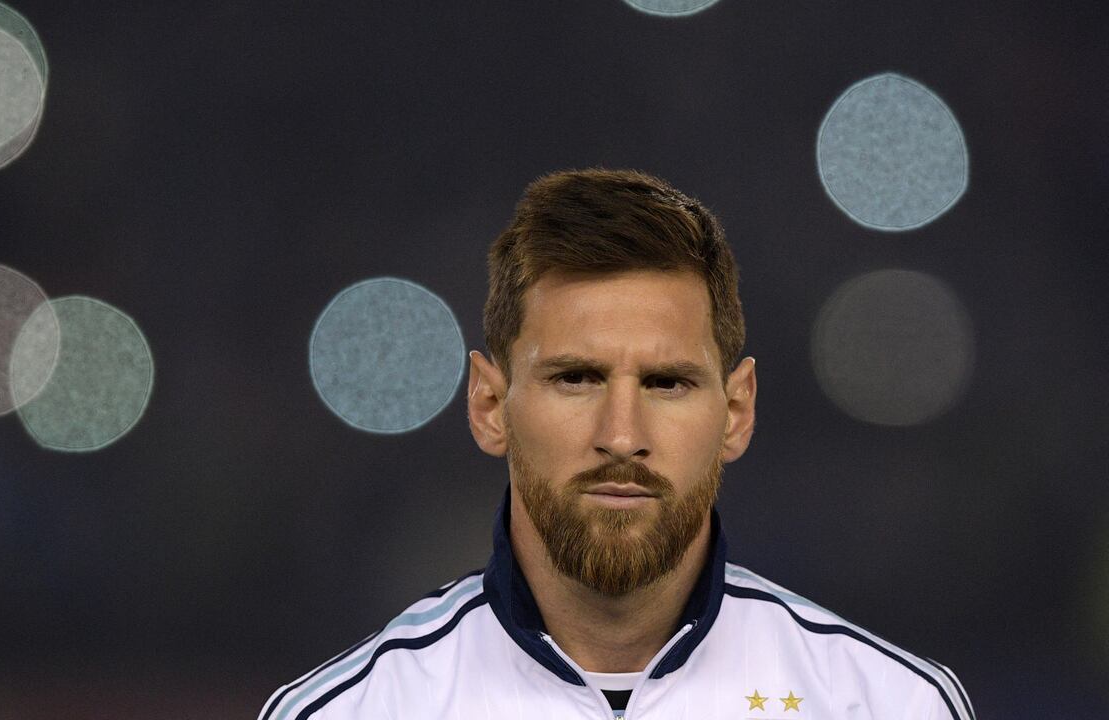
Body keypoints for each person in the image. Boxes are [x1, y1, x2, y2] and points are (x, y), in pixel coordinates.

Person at [259, 168, 974, 720]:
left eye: (667, 383)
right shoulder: (356, 709)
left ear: (736, 412)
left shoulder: (884, 704)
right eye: (576, 378)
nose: (622, 436)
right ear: (488, 404)